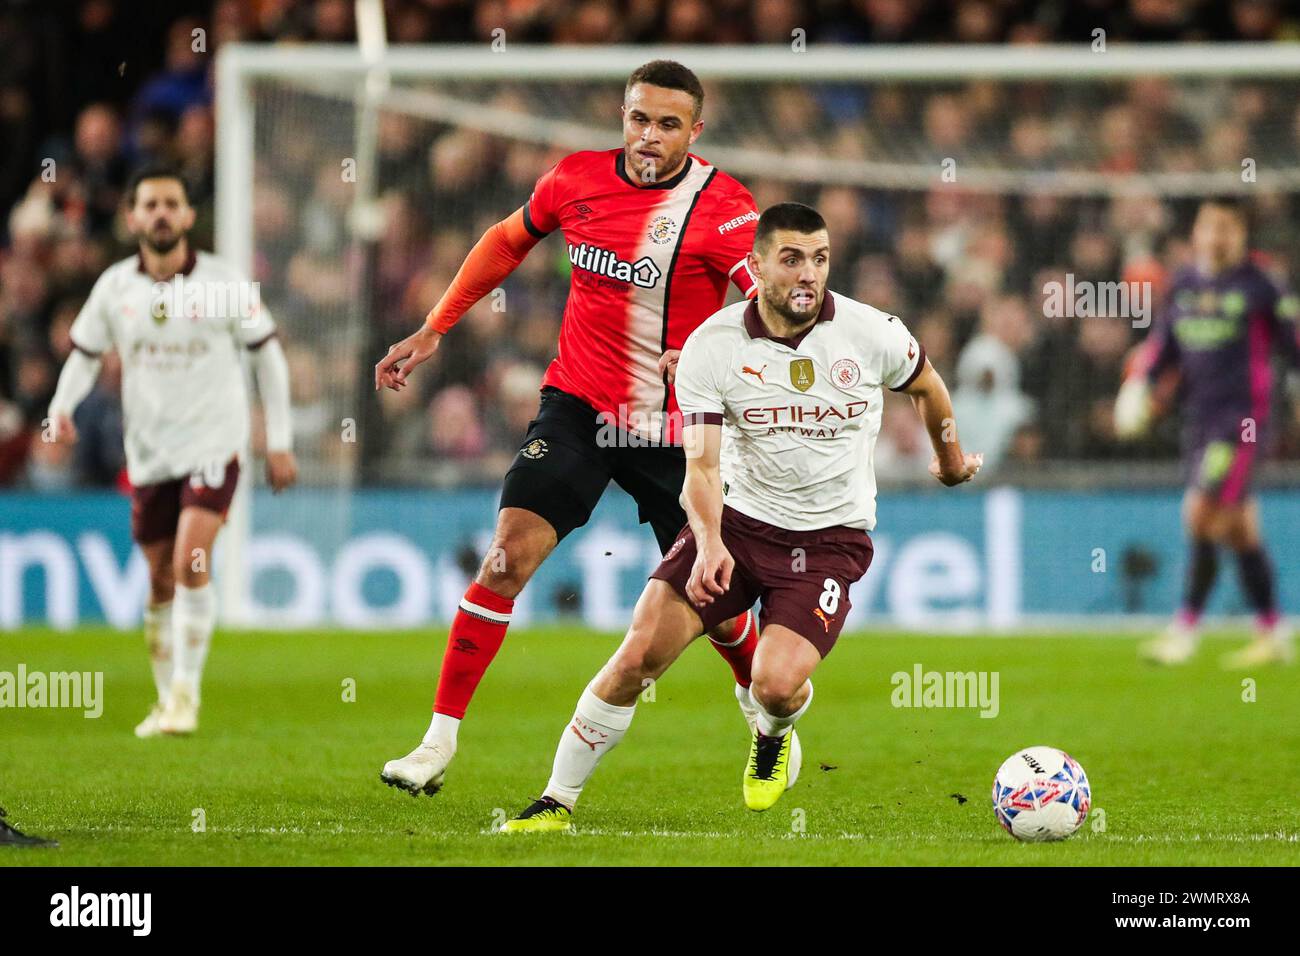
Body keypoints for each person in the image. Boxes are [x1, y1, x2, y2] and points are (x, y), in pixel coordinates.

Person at [500, 203, 982, 831]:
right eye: (791, 259)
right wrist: (707, 542)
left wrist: (947, 461)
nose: (808, 274)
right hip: (739, 527)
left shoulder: (872, 332)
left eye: (820, 258)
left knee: (774, 686)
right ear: (755, 266)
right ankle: (554, 802)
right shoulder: (712, 346)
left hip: (829, 541)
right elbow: (699, 467)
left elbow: (929, 388)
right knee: (638, 655)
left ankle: (773, 734)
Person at [375, 61, 772, 796]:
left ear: (696, 130)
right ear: (622, 116)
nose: (648, 136)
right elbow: (504, 241)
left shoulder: (722, 208)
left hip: (676, 430)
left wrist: (715, 346)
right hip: (580, 408)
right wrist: (435, 328)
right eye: (637, 118)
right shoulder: (575, 180)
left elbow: (773, 313)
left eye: (667, 124)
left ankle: (764, 711)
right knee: (504, 559)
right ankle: (436, 744)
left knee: (718, 608)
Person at [47, 164, 297, 736]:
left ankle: (186, 695)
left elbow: (268, 355)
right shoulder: (114, 287)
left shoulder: (225, 282)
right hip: (150, 452)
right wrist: (60, 408)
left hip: (214, 441)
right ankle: (166, 700)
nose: (161, 213)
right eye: (150, 204)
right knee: (160, 577)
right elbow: (85, 355)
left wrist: (277, 442)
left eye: (171, 204)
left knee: (191, 561)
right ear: (132, 216)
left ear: (187, 215)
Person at [1116, 197, 1298, 667]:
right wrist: (1141, 382)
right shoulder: (1185, 283)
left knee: (1200, 511)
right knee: (1240, 529)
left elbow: (1294, 346)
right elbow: (1165, 345)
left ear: (1241, 234)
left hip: (1244, 422)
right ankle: (1274, 633)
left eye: (1227, 228)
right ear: (1196, 232)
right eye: (1209, 226)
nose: (1217, 237)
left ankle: (1186, 629)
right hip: (1199, 418)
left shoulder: (1261, 286)